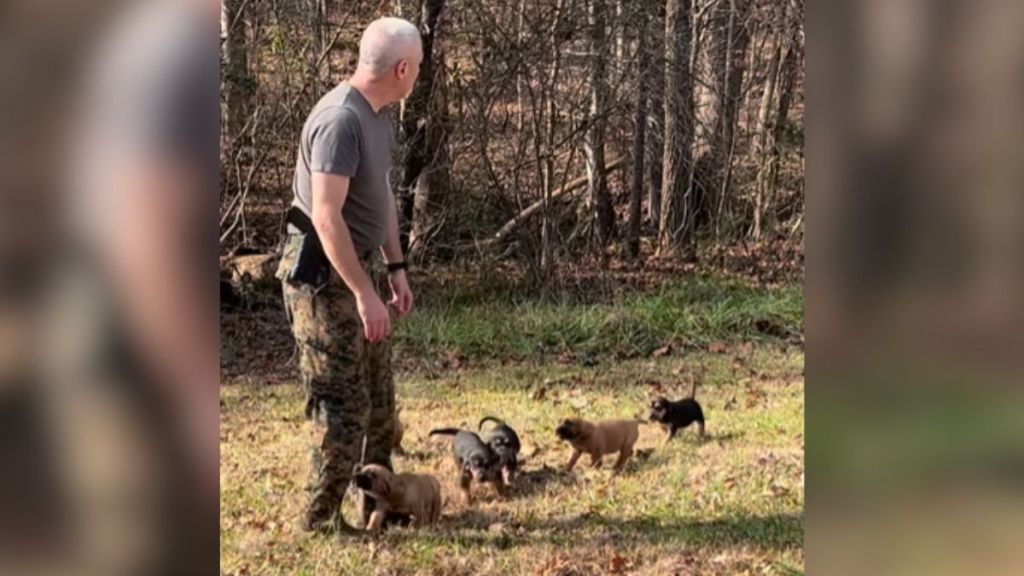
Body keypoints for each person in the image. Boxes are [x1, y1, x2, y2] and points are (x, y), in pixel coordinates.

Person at [276, 17, 422, 535]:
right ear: (402, 68)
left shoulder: (378, 116)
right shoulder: (341, 120)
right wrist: (364, 293)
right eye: (417, 68)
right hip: (322, 277)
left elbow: (379, 198)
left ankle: (378, 504)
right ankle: (318, 523)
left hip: (359, 267)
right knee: (342, 406)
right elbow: (325, 215)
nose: (417, 77)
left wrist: (396, 268)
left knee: (379, 401)